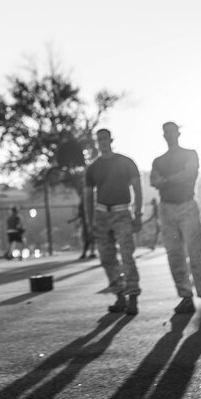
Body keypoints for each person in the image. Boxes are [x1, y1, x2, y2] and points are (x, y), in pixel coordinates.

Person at [150, 122, 201, 315]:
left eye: (172, 131)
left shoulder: (190, 154)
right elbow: (153, 180)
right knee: (174, 254)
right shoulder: (158, 160)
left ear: (178, 133)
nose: (170, 135)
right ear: (163, 136)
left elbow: (190, 173)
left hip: (187, 205)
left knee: (195, 252)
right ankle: (186, 297)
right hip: (167, 208)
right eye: (166, 133)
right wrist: (172, 178)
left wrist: (167, 180)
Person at [84, 128, 143, 316]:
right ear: (96, 142)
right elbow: (87, 196)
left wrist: (138, 214)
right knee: (107, 257)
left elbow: (137, 188)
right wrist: (89, 222)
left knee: (127, 255)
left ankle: (132, 296)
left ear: (111, 140)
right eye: (99, 139)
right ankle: (119, 296)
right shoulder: (93, 167)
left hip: (122, 212)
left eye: (105, 138)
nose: (102, 142)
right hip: (101, 214)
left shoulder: (126, 162)